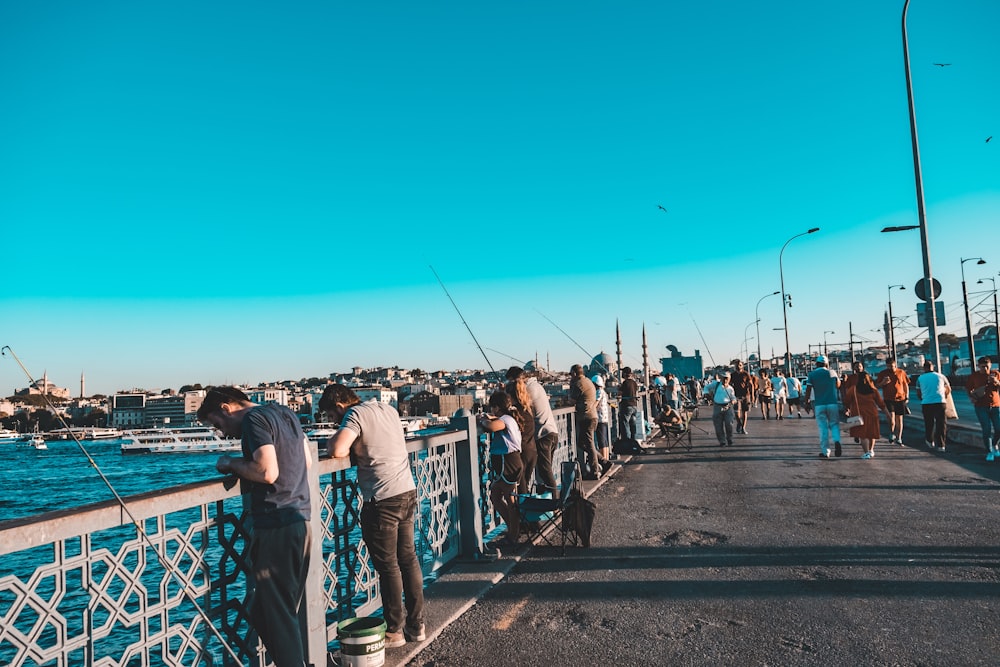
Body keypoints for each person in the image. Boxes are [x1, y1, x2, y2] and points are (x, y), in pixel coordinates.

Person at [199, 387, 312, 666]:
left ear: (226, 408)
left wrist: (230, 463)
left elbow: (266, 471)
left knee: (277, 614)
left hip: (276, 523)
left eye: (218, 424)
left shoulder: (253, 420)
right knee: (268, 611)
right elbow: (308, 461)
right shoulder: (285, 413)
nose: (222, 433)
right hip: (301, 521)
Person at [321, 384, 425, 647]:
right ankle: (417, 625)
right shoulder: (387, 409)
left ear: (339, 406)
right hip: (406, 490)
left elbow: (337, 450)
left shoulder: (354, 415)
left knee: (389, 566)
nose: (336, 421)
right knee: (408, 560)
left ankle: (395, 631)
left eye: (334, 417)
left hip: (382, 499)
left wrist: (336, 437)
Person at [476, 391, 523, 550]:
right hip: (504, 463)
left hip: (508, 463)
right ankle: (513, 529)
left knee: (510, 500)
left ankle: (513, 535)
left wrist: (483, 420)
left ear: (496, 407)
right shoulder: (507, 418)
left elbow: (491, 427)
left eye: (492, 407)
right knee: (495, 496)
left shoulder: (505, 419)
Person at [507, 367, 558, 494]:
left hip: (542, 434)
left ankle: (556, 502)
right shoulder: (536, 385)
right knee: (543, 472)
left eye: (511, 382)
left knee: (545, 472)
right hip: (551, 431)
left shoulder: (528, 390)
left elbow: (521, 410)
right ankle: (546, 502)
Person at [842, 361, 890, 459]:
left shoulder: (854, 389)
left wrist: (847, 408)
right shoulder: (873, 390)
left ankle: (866, 452)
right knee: (871, 434)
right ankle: (871, 450)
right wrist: (888, 414)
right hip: (872, 414)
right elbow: (881, 403)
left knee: (862, 435)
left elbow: (846, 400)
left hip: (858, 414)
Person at [570, 364, 607, 479]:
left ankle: (595, 471)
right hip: (593, 417)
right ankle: (603, 461)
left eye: (571, 374)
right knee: (583, 443)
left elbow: (571, 401)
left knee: (589, 444)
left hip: (586, 417)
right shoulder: (588, 381)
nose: (571, 376)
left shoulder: (578, 384)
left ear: (575, 374)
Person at [804, 355, 842, 458]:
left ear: (816, 364)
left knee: (823, 428)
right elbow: (838, 385)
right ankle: (837, 441)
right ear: (826, 364)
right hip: (832, 403)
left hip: (819, 404)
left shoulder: (812, 374)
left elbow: (808, 389)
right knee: (834, 424)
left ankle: (826, 452)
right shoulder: (832, 373)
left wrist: (806, 402)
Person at [505, 374, 537, 492]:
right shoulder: (527, 410)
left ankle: (523, 510)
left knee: (521, 490)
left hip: (521, 455)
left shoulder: (513, 414)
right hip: (532, 452)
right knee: (524, 487)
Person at [965, 356, 1000, 461]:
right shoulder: (974, 376)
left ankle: (994, 445)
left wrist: (996, 381)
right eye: (982, 367)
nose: (985, 369)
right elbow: (968, 388)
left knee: (998, 428)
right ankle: (989, 451)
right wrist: (971, 397)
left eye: (987, 366)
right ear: (978, 366)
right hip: (981, 406)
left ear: (990, 365)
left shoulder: (996, 374)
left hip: (995, 405)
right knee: (987, 429)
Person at [916, 360, 951, 452]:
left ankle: (930, 440)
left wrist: (922, 399)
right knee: (941, 424)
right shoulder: (941, 376)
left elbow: (918, 392)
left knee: (929, 423)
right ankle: (941, 445)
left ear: (924, 368)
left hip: (926, 403)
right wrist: (945, 396)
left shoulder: (920, 378)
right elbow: (948, 389)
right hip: (940, 402)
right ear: (933, 367)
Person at [875, 357, 911, 446]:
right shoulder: (882, 373)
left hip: (900, 398)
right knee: (891, 418)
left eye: (892, 366)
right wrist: (884, 382)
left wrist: (907, 396)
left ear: (895, 365)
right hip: (888, 399)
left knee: (899, 419)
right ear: (886, 366)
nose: (891, 368)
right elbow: (877, 386)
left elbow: (905, 384)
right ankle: (891, 433)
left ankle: (899, 437)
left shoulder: (901, 372)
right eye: (889, 366)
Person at [703, 372, 736, 447]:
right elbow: (706, 387)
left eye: (727, 378)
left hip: (728, 407)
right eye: (724, 378)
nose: (725, 380)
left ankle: (729, 438)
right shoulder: (716, 384)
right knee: (718, 426)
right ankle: (722, 441)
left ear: (729, 379)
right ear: (721, 378)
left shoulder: (731, 388)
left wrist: (733, 400)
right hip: (717, 406)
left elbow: (733, 397)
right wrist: (706, 393)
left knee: (729, 424)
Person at [730, 360, 755, 435]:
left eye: (740, 365)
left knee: (745, 412)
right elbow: (730, 384)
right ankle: (739, 424)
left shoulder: (746, 374)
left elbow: (751, 385)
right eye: (737, 365)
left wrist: (752, 395)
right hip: (736, 396)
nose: (738, 366)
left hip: (745, 395)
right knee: (736, 413)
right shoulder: (733, 375)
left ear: (742, 366)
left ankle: (743, 428)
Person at [593, 374, 612, 462]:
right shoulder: (604, 391)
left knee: (602, 442)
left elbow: (596, 403)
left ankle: (604, 462)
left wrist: (590, 409)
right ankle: (607, 460)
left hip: (600, 419)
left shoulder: (599, 392)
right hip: (604, 418)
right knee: (605, 441)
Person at [619, 367, 640, 441]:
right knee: (633, 424)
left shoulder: (625, 383)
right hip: (634, 406)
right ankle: (633, 440)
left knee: (625, 424)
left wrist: (619, 388)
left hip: (627, 405)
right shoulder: (634, 382)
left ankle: (626, 441)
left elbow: (620, 393)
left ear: (624, 373)